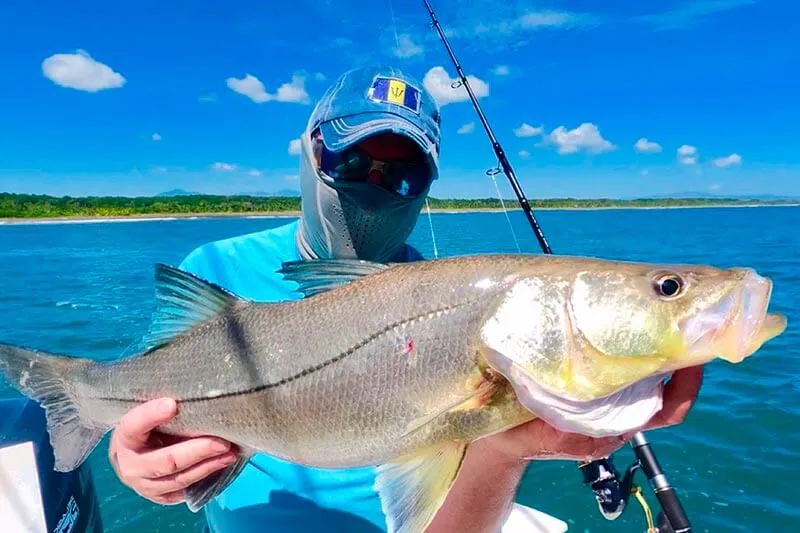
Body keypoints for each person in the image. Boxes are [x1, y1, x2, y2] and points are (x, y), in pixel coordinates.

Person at [108, 65, 704, 532]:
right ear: (310, 153)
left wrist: (511, 446)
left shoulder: (457, 312)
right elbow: (146, 411)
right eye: (352, 160)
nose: (374, 187)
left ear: (426, 189)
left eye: (402, 176)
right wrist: (133, 457)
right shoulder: (213, 270)